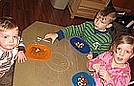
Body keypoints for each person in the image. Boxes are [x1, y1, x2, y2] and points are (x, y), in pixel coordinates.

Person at [44, 1, 117, 59]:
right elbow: (73, 29)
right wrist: (57, 34)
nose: (97, 22)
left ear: (108, 25)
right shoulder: (87, 25)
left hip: (87, 57)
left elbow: (103, 52)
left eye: (102, 22)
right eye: (97, 18)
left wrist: (94, 55)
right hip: (75, 49)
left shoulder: (107, 39)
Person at [0, 17, 27, 85]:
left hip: (10, 65)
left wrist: (20, 51)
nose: (11, 41)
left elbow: (20, 41)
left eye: (14, 36)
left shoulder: (16, 40)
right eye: (6, 37)